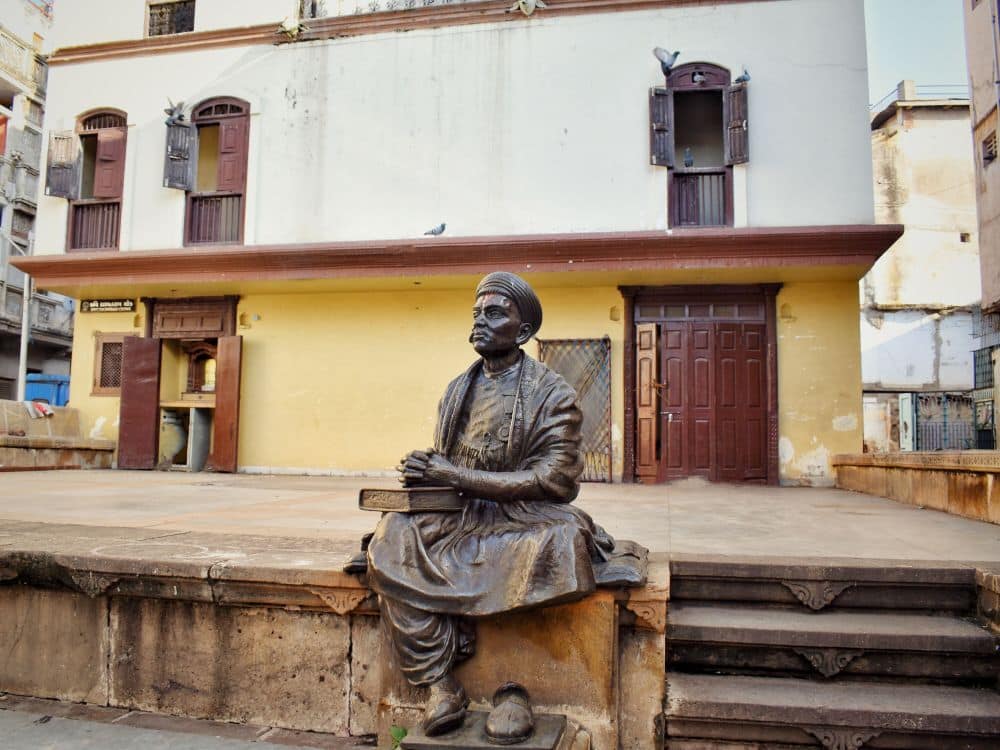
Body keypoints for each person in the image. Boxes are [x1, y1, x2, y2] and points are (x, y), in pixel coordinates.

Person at [366, 272, 616, 740]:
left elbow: (556, 481)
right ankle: (439, 683)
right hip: (460, 512)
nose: (480, 321)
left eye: (495, 312)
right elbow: (452, 461)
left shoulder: (552, 392)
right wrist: (429, 468)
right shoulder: (458, 389)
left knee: (561, 544)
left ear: (522, 332)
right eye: (477, 313)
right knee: (392, 539)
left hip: (524, 515)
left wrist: (455, 475)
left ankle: (512, 681)